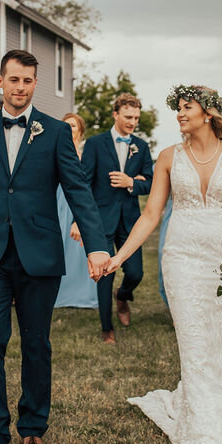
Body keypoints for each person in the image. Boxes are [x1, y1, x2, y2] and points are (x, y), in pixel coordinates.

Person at [105, 84, 222, 444]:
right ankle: (204, 432)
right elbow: (151, 214)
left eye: (186, 107)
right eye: (179, 109)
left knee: (216, 344)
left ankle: (209, 413)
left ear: (207, 113)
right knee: (192, 342)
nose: (180, 114)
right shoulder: (169, 157)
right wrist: (119, 257)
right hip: (182, 259)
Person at [0, 50, 110, 444]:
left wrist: (95, 244)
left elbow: (78, 190)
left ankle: (33, 431)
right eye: (14, 79)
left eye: (28, 81)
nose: (21, 87)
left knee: (36, 344)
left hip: (38, 253)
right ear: (0, 81)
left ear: (34, 84)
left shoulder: (55, 132)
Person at [80, 93, 154, 343]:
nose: (133, 122)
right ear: (115, 114)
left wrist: (131, 182)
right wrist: (79, 220)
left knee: (136, 273)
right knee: (103, 274)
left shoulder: (141, 147)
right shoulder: (95, 144)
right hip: (101, 220)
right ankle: (106, 327)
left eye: (136, 118)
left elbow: (152, 183)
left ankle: (122, 296)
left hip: (131, 220)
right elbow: (85, 184)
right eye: (128, 116)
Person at [54, 112, 99, 310]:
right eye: (64, 125)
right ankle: (58, 293)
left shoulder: (85, 156)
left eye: (72, 126)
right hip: (56, 203)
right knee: (58, 247)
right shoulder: (53, 152)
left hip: (77, 205)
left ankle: (82, 294)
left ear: (80, 130)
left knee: (78, 249)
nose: (68, 129)